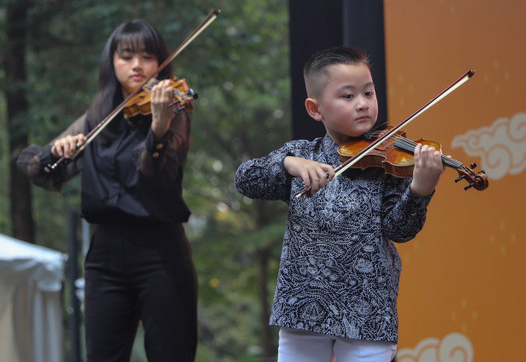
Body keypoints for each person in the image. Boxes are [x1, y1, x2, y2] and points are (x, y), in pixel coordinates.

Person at [235, 46, 445, 362]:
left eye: (368, 93)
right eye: (348, 96)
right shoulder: (301, 153)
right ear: (315, 108)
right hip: (303, 306)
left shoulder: (387, 161)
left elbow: (399, 230)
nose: (363, 104)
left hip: (368, 309)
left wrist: (420, 189)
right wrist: (289, 163)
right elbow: (246, 179)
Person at [17, 19, 198, 361]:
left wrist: (158, 128)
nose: (136, 65)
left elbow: (154, 174)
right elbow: (35, 169)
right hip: (105, 257)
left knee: (171, 353)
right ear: (111, 61)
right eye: (126, 56)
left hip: (160, 252)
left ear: (160, 63)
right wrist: (57, 150)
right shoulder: (96, 119)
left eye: (147, 56)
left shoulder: (173, 109)